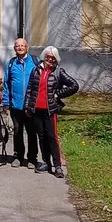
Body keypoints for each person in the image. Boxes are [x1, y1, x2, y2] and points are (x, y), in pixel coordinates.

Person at [23, 46, 80, 179]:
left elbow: (74, 85)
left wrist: (58, 94)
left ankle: (57, 165)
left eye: (53, 58)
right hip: (37, 110)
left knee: (52, 138)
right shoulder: (36, 70)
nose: (50, 60)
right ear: (44, 57)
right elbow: (30, 89)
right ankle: (46, 163)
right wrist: (27, 106)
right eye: (48, 57)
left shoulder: (58, 71)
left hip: (50, 110)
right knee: (42, 137)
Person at [1, 37, 40, 168]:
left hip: (31, 106)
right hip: (16, 105)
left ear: (27, 47)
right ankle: (18, 156)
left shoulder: (35, 61)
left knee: (31, 132)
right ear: (14, 48)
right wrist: (6, 104)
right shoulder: (11, 63)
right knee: (17, 132)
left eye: (22, 45)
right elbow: (6, 85)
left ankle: (32, 158)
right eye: (17, 46)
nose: (20, 47)